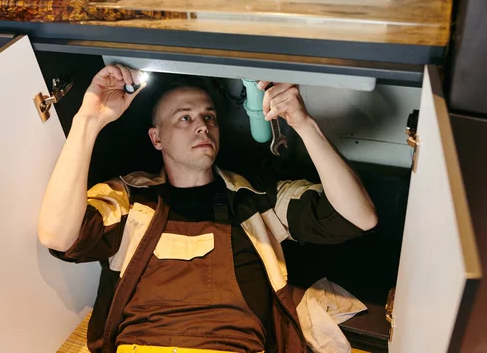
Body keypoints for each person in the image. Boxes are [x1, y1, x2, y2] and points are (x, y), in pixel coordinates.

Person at [38, 64, 378, 353]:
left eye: (208, 116)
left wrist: (303, 123)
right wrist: (88, 120)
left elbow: (358, 218)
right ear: (156, 138)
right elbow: (58, 236)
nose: (202, 125)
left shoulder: (255, 198)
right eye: (184, 118)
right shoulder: (131, 197)